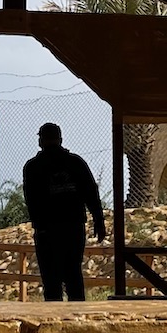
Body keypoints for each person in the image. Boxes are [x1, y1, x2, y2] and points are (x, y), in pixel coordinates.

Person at [22, 123, 107, 302]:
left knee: (51, 282)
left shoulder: (33, 167)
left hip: (47, 231)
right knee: (73, 276)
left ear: (40, 141)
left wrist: (39, 227)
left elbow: (32, 202)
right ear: (60, 139)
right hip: (73, 227)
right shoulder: (75, 163)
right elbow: (91, 193)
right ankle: (77, 320)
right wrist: (98, 220)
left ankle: (53, 322)